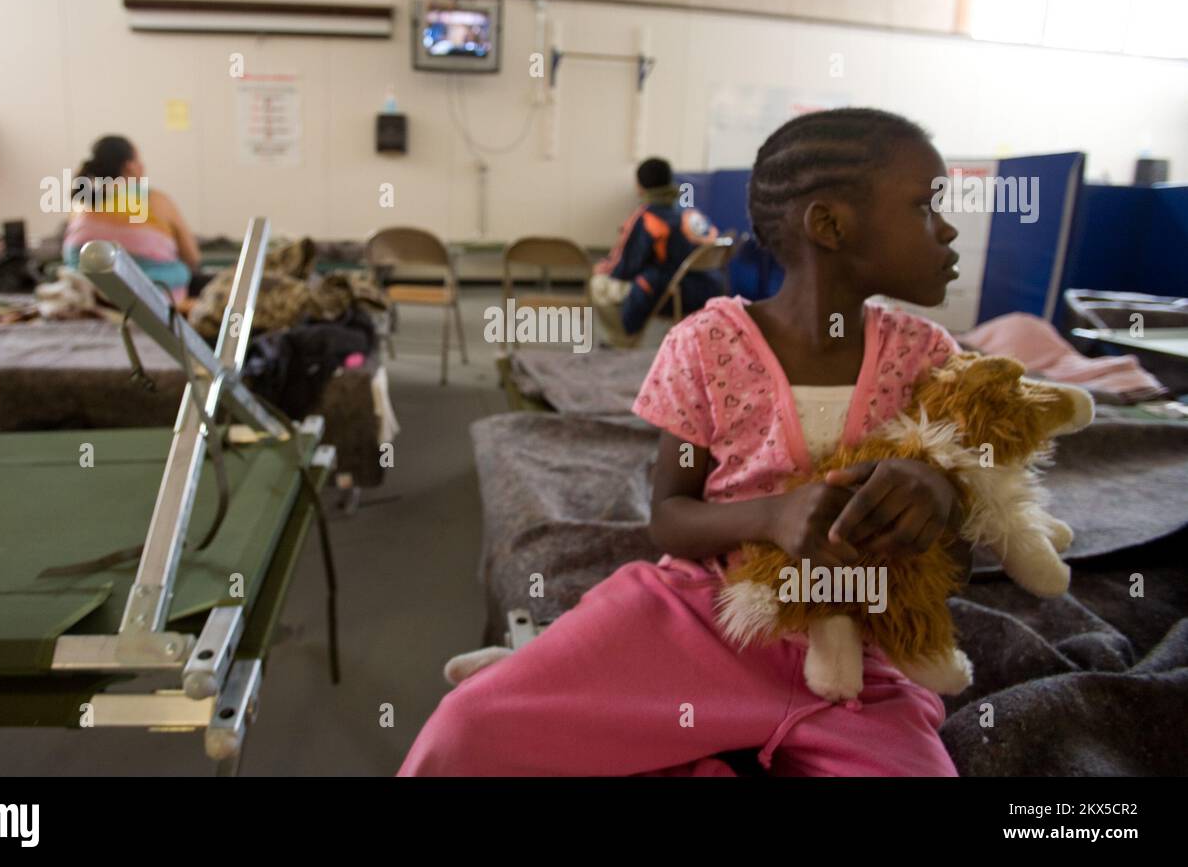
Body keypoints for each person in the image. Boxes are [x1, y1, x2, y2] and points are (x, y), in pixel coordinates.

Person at [400, 108, 973, 776]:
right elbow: (669, 517)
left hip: (860, 652)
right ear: (830, 225)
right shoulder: (706, 345)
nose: (948, 228)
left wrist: (940, 492)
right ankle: (564, 668)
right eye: (926, 206)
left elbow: (960, 553)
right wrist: (771, 515)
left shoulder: (932, 359)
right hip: (704, 621)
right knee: (466, 729)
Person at [590, 157, 722, 347]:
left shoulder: (647, 217)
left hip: (672, 294)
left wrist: (603, 268)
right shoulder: (691, 213)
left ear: (640, 186)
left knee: (599, 283)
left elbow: (625, 268)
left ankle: (621, 341)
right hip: (711, 290)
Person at [62, 135, 200, 301]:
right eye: (138, 160)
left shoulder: (82, 203)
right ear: (129, 167)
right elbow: (192, 257)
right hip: (156, 303)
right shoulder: (156, 200)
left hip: (86, 299)